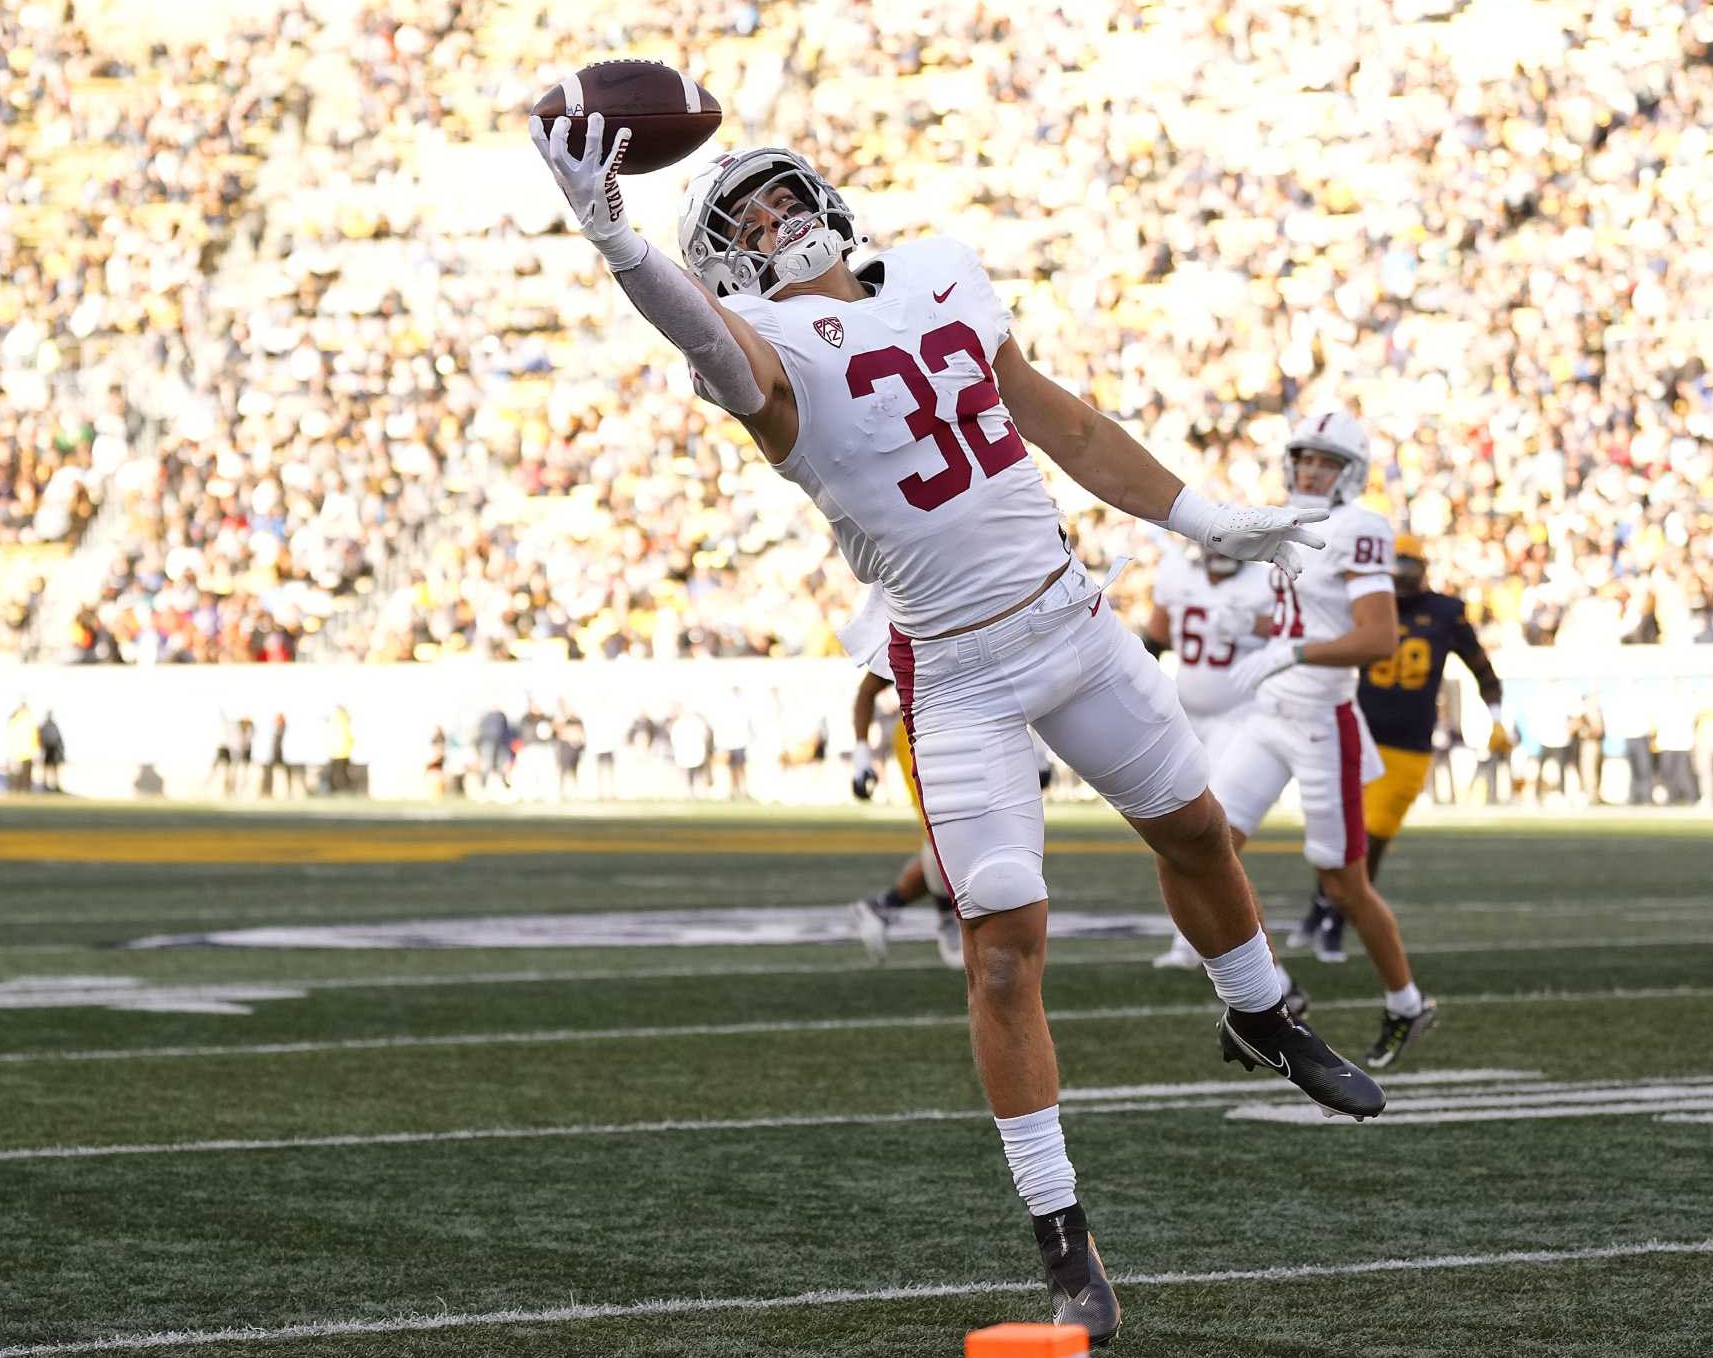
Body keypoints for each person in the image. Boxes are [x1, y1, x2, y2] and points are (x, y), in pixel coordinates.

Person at [531, 114, 1382, 1342]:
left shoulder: (941, 268)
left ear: (823, 187)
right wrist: (614, 239)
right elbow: (697, 330)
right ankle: (1064, 1237)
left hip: (1072, 619)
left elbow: (1065, 424)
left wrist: (1203, 517)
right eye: (744, 226)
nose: (773, 226)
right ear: (725, 265)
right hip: (959, 672)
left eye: (778, 200)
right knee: (1000, 947)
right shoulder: (757, 348)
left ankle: (1259, 1008)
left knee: (1198, 831)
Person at [1214, 412, 1438, 1070]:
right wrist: (1249, 618)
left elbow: (1376, 637)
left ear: (1351, 473)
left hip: (1321, 720)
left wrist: (1294, 653)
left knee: (1343, 885)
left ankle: (1405, 1001)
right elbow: (1305, 613)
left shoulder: (1361, 528)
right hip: (1269, 713)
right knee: (1206, 850)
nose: (1312, 471)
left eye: (1327, 462)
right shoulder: (1286, 518)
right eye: (1305, 459)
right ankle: (1274, 990)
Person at [1293, 533, 1507, 962]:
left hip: (1409, 744)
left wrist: (1499, 719)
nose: (1403, 579)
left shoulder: (1446, 612)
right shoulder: (1366, 605)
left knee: (1370, 839)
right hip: (1358, 731)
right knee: (1339, 831)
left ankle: (1337, 915)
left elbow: (1483, 669)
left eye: (1410, 569)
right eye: (1397, 569)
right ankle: (1324, 905)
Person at [1142, 543, 1286, 971]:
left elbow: (1301, 629)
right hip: (1187, 716)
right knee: (1179, 825)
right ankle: (1191, 941)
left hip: (1242, 717)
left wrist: (1257, 624)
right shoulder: (1175, 574)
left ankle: (1234, 952)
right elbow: (1155, 638)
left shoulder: (1266, 581)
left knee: (1213, 828)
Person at [846, 600, 965, 971]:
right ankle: (948, 919)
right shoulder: (919, 609)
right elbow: (868, 691)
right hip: (921, 733)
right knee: (944, 833)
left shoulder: (978, 596)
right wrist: (862, 753)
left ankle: (883, 908)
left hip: (972, 731)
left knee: (967, 836)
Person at [37, 711, 66, 794]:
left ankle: (56, 785)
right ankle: (45, 785)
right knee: (46, 768)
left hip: (54, 749)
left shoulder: (54, 726)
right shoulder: (43, 726)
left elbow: (59, 738)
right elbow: (40, 738)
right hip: (47, 749)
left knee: (55, 768)